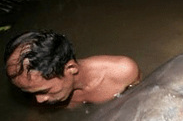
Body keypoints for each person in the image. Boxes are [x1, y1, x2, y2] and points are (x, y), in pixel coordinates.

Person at [4, 30, 141, 108]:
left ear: (71, 68)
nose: (39, 100)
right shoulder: (37, 87)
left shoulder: (123, 72)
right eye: (29, 93)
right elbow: (35, 120)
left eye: (44, 91)